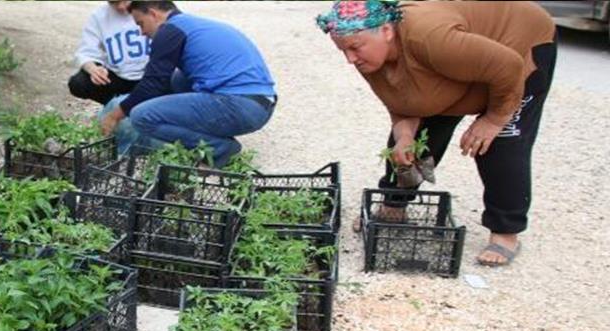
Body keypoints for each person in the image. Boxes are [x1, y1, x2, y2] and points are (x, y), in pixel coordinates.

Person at [317, 0, 557, 267]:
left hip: (518, 45)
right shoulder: (371, 58)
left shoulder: (430, 39)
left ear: (386, 31)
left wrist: (493, 119)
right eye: (343, 51)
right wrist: (405, 138)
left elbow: (508, 65)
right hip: (458, 63)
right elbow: (402, 105)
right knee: (414, 143)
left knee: (500, 143)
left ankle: (506, 230)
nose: (350, 59)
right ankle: (394, 205)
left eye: (354, 47)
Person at [100, 1, 277, 168]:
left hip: (239, 106)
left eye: (140, 24)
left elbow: (152, 83)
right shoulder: (193, 24)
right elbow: (160, 83)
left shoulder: (169, 30)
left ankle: (220, 150)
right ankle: (204, 135)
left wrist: (115, 115)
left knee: (141, 116)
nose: (142, 32)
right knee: (178, 78)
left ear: (153, 14)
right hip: (261, 103)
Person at [69, 1, 151, 105]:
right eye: (114, 2)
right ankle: (115, 106)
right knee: (78, 83)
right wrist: (94, 69)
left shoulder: (152, 8)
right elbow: (86, 52)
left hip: (149, 75)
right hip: (117, 75)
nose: (121, 6)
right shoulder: (99, 15)